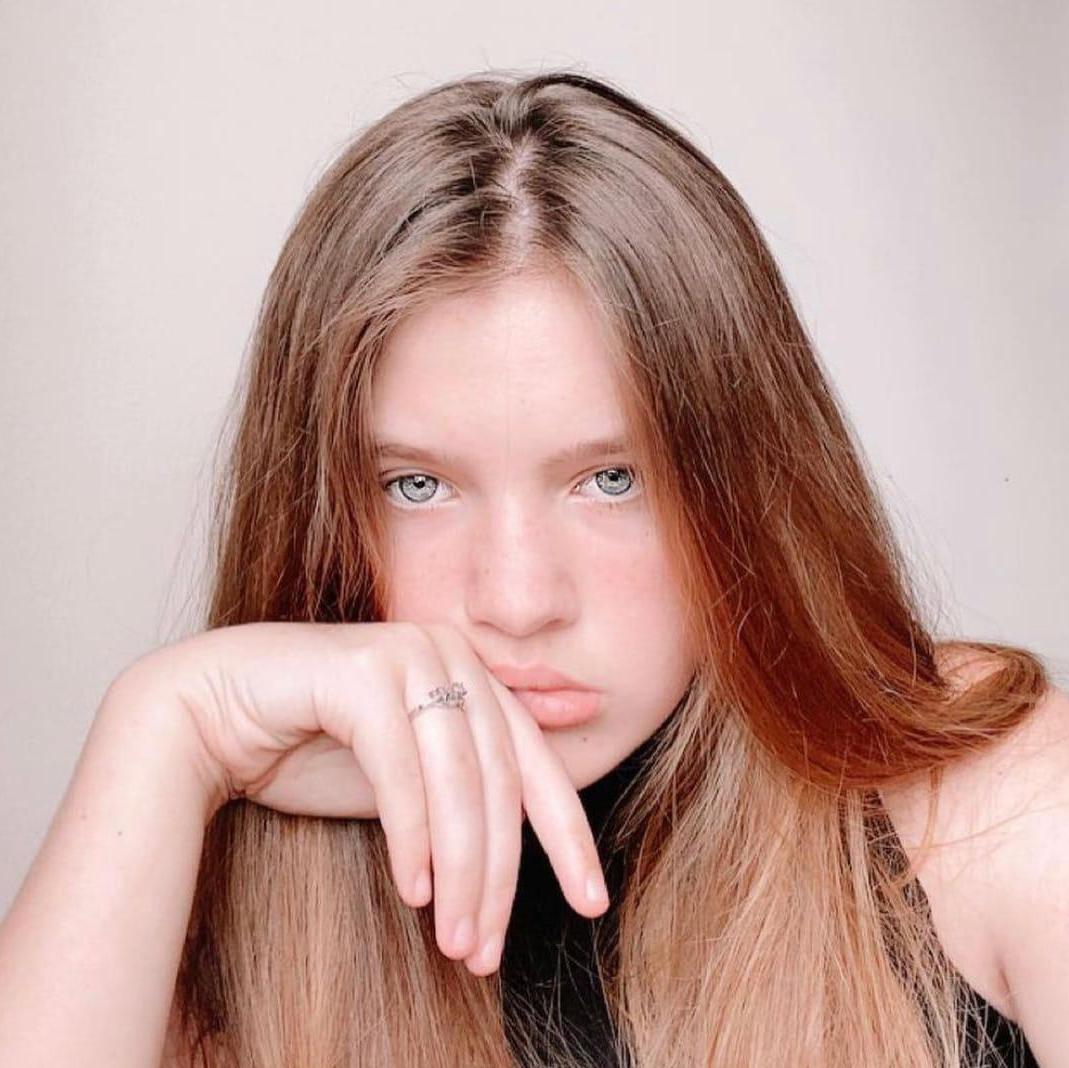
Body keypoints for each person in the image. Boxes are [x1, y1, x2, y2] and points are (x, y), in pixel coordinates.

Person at [0, 67, 1063, 1068]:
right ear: (320, 516)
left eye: (611, 479)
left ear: (747, 487)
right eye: (417, 486)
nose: (516, 602)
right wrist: (171, 725)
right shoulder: (223, 879)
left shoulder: (985, 798)